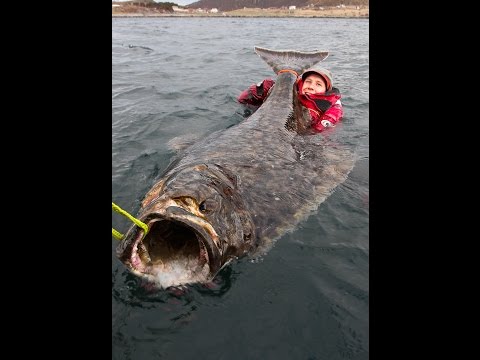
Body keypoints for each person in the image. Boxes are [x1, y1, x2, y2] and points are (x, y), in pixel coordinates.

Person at [237, 66, 343, 133]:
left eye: (318, 84)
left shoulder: (332, 108)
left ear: (326, 90)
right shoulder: (288, 92)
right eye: (308, 81)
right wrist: (260, 90)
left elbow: (322, 133)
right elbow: (242, 100)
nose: (311, 86)